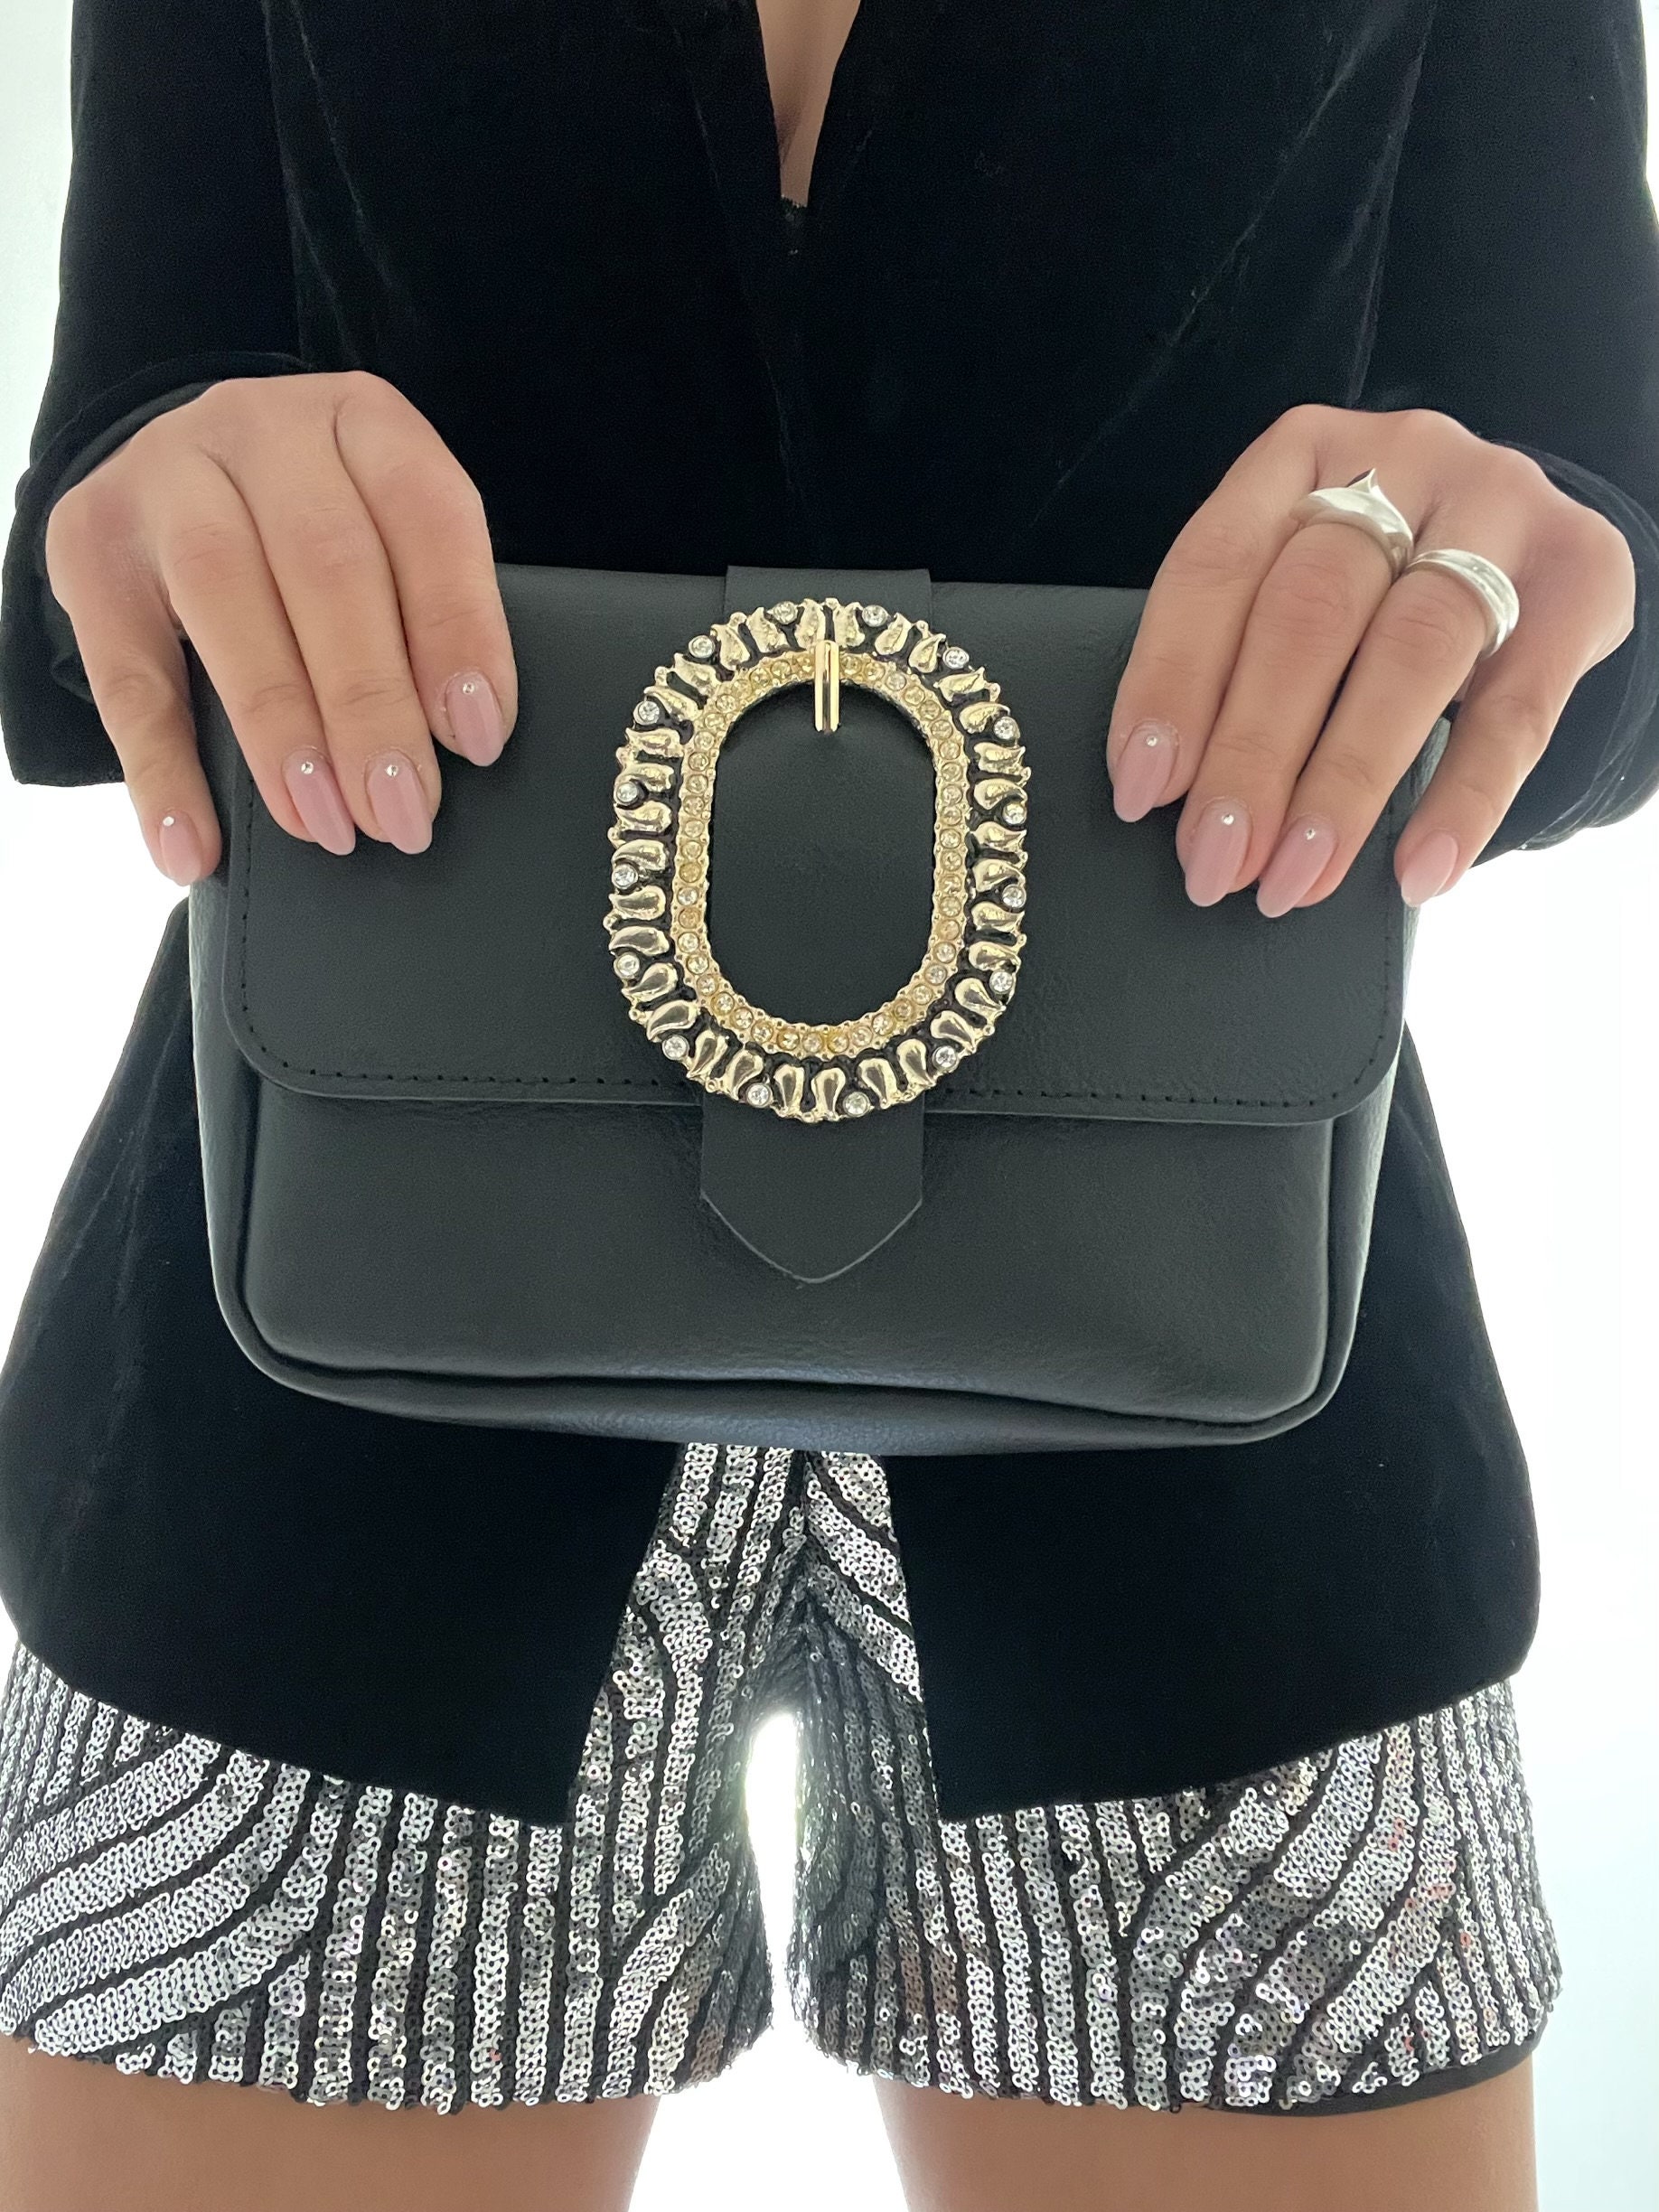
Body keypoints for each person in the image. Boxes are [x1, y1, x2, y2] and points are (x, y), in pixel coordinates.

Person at [0, 0, 1655, 2205]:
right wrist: (165, 503)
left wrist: (1495, 580)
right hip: (319, 1401)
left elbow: (1606, 590)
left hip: (1227, 1400)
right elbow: (89, 555)